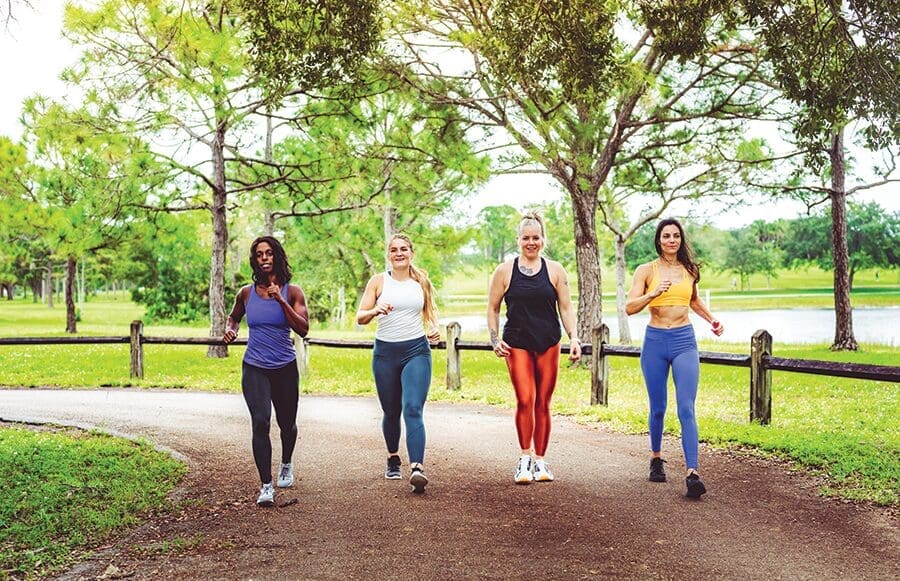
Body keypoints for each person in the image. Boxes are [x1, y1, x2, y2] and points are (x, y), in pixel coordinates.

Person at [625, 218, 724, 499]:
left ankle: (693, 473)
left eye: (676, 236)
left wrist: (712, 320)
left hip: (684, 341)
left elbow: (693, 301)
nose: (671, 240)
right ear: (658, 240)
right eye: (666, 236)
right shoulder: (646, 271)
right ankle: (656, 458)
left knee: (686, 408)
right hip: (655, 342)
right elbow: (629, 307)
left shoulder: (689, 270)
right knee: (658, 408)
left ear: (681, 240)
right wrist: (652, 293)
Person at [487, 211, 581, 485]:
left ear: (543, 239)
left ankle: (541, 461)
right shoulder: (504, 271)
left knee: (543, 402)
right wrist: (494, 340)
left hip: (549, 341)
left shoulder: (555, 271)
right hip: (516, 342)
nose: (531, 242)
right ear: (518, 240)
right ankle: (524, 459)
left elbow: (565, 307)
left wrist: (573, 337)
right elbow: (492, 309)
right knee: (525, 399)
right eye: (526, 238)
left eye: (536, 237)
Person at [223, 236, 309, 507]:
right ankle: (266, 486)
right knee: (260, 422)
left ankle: (286, 463)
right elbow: (234, 316)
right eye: (259, 254)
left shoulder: (293, 292)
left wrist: (280, 300)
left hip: (284, 367)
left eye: (269, 253)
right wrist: (231, 329)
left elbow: (303, 328)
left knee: (287, 424)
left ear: (277, 257)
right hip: (255, 366)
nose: (264, 258)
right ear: (255, 260)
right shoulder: (246, 294)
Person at [356, 233, 441, 494]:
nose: (399, 253)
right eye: (394, 250)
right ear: (389, 255)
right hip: (385, 353)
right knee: (391, 410)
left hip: (416, 350)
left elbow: (431, 313)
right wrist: (374, 311)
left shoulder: (420, 281)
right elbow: (360, 317)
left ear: (411, 253)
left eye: (404, 249)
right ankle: (393, 456)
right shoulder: (379, 282)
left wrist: (434, 330)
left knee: (412, 408)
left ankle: (417, 468)